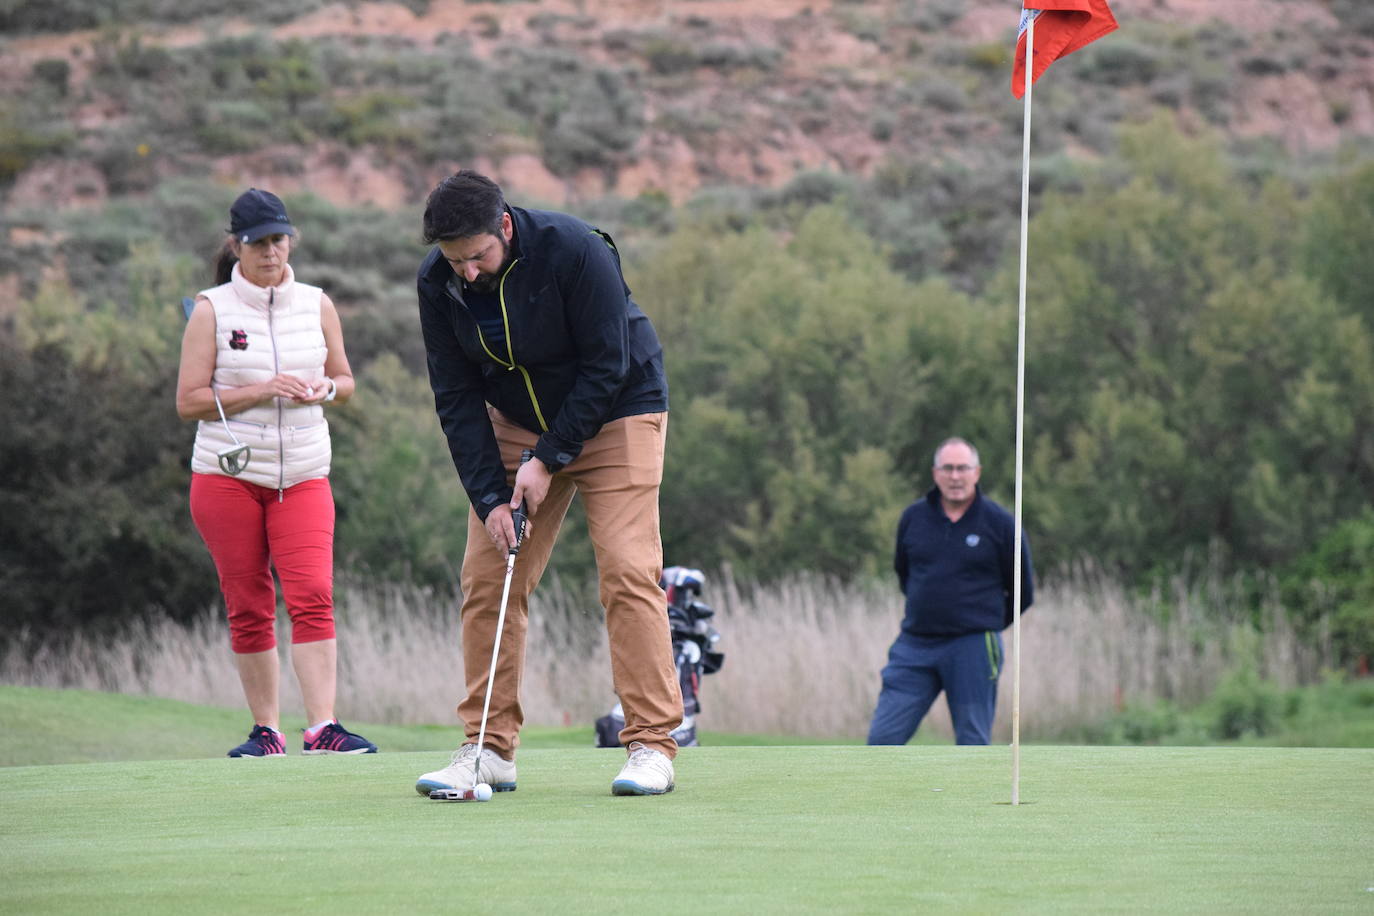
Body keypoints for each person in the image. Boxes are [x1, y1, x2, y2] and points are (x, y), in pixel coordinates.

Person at [412, 170, 681, 797]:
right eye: (456, 261)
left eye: (478, 256)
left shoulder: (576, 249)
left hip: (617, 409)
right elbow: (455, 398)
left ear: (504, 225)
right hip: (514, 423)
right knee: (488, 574)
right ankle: (488, 747)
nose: (468, 272)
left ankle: (651, 745)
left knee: (626, 570)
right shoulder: (437, 283)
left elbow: (607, 362)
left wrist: (549, 457)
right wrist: (487, 500)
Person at [175, 188, 376, 758]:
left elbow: (346, 379)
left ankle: (323, 728)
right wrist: (262, 389)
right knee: (249, 602)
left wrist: (326, 389)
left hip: (305, 472)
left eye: (278, 240)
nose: (270, 252)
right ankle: (267, 731)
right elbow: (189, 401)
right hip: (227, 474)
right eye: (258, 242)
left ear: (290, 241)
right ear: (236, 244)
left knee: (313, 593)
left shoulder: (317, 303)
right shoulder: (211, 309)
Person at [867, 437, 1034, 746]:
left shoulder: (1001, 524)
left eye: (962, 468)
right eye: (948, 468)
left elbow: (1023, 593)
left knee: (972, 742)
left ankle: (972, 796)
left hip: (973, 646)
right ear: (935, 473)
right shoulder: (913, 519)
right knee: (882, 739)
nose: (955, 476)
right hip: (916, 643)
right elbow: (904, 574)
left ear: (977, 472)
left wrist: (984, 623)